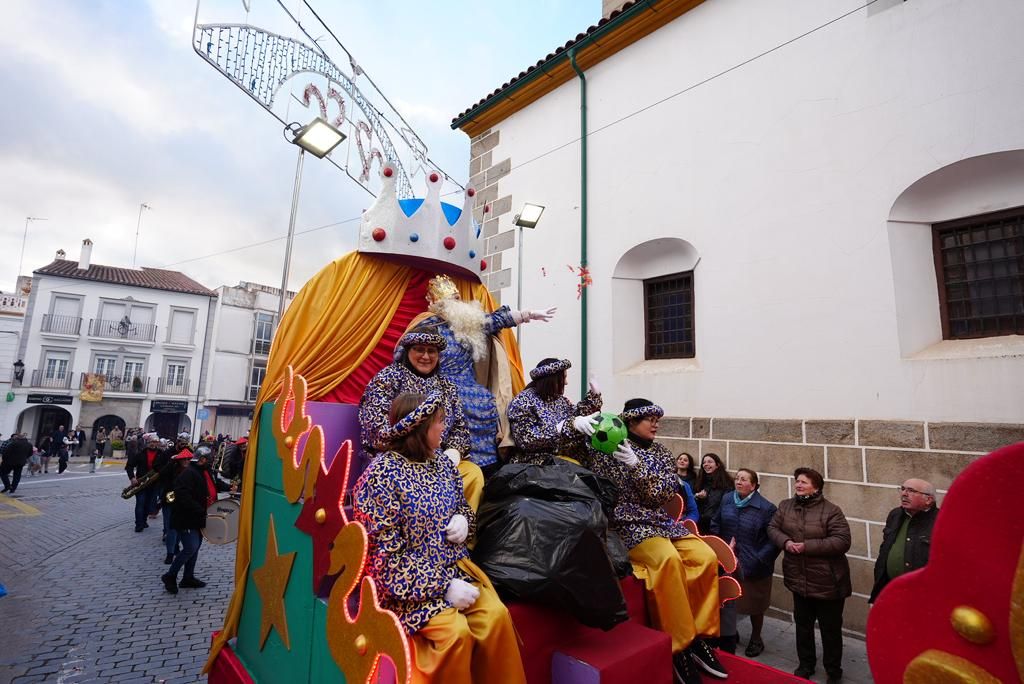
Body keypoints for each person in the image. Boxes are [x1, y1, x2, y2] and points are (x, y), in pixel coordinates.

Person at [353, 392, 526, 683]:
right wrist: (442, 586)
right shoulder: (380, 476)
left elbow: (461, 506)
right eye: (440, 422)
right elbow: (384, 561)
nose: (444, 428)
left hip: (455, 570)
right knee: (454, 636)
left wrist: (463, 519)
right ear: (420, 427)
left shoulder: (444, 465)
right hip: (408, 590)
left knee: (495, 616)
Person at [570, 398, 726, 684]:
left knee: (705, 557)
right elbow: (577, 439)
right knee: (666, 560)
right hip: (625, 525)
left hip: (659, 522)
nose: (656, 424)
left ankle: (699, 638)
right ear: (630, 421)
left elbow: (662, 495)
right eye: (649, 419)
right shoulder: (603, 449)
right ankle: (679, 647)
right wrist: (590, 404)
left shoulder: (662, 453)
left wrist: (636, 464)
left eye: (657, 418)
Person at [408, 274, 555, 473]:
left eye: (457, 300)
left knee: (487, 405)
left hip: (474, 390)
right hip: (438, 389)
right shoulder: (428, 327)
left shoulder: (467, 323)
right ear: (436, 303)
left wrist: (527, 314)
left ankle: (487, 470)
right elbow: (406, 352)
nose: (455, 304)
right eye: (449, 301)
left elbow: (495, 320)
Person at [359, 327, 483, 510]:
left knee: (473, 474)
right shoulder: (388, 378)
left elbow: (460, 428)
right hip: (397, 460)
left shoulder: (446, 386)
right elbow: (376, 429)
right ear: (408, 351)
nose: (426, 356)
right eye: (419, 349)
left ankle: (461, 533)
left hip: (439, 461)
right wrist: (415, 451)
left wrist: (454, 452)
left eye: (431, 351)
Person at [768, 467, 851, 684]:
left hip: (827, 582)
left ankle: (833, 671)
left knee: (830, 630)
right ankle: (806, 664)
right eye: (797, 481)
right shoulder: (786, 505)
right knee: (803, 626)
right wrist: (785, 542)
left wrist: (806, 547)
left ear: (816, 486)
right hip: (798, 579)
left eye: (803, 482)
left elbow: (842, 540)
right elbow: (773, 528)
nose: (798, 485)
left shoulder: (831, 510)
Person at [711, 468, 779, 657]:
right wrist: (721, 548)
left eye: (744, 479)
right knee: (729, 601)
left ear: (754, 485)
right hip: (728, 560)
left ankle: (756, 639)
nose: (739, 482)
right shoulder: (727, 499)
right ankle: (732, 633)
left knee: (755, 605)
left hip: (754, 565)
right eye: (737, 478)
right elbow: (716, 523)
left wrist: (758, 559)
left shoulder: (767, 508)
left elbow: (773, 541)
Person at [161, 445, 232, 594]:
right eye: (209, 459)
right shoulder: (189, 473)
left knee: (195, 548)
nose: (211, 462)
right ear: (202, 459)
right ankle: (170, 576)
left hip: (199, 517)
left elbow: (215, 484)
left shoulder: (206, 471)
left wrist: (230, 487)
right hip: (186, 517)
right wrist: (200, 510)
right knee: (190, 548)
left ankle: (187, 578)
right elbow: (182, 496)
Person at [506, 358, 602, 466]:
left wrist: (593, 398)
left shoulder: (560, 400)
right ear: (552, 379)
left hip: (564, 458)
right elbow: (525, 439)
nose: (566, 383)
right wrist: (561, 428)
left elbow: (577, 416)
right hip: (536, 463)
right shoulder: (523, 401)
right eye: (563, 378)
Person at [869, 478, 939, 604]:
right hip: (891, 589)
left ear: (928, 499)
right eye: (902, 489)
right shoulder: (895, 515)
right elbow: (885, 548)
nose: (904, 494)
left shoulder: (940, 521)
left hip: (922, 597)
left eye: (911, 491)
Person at [159, 447, 193, 564]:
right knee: (171, 529)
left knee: (180, 528)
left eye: (188, 459)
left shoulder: (192, 471)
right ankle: (170, 553)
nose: (186, 461)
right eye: (183, 459)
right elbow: (162, 474)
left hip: (184, 503)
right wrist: (171, 462)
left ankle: (176, 548)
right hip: (170, 501)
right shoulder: (172, 469)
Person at [125, 434, 163, 532]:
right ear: (147, 443)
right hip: (141, 483)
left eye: (155, 442)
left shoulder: (162, 454)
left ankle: (144, 520)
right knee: (140, 503)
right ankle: (138, 524)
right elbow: (129, 466)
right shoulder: (140, 453)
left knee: (149, 504)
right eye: (151, 442)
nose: (153, 444)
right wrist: (132, 478)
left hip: (154, 484)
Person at [694, 453, 733, 534]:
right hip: (700, 524)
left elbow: (725, 506)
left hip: (716, 526)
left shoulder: (726, 483)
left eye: (710, 462)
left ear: (717, 465)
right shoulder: (700, 481)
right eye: (704, 462)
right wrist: (698, 497)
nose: (706, 464)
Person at [674, 453, 700, 524]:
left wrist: (685, 522)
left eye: (685, 460)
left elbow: (693, 511)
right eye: (680, 459)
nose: (682, 461)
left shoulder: (686, 485)